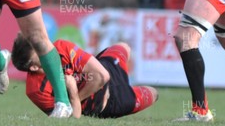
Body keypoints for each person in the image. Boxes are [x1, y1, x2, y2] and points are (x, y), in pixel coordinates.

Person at [12, 35, 158, 118]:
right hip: (112, 102)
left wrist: (73, 98)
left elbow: (102, 76)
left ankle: (123, 77)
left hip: (105, 70)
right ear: (34, 67)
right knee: (154, 93)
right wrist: (74, 95)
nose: (46, 48)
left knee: (124, 46)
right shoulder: (36, 90)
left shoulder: (61, 47)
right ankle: (129, 90)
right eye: (39, 50)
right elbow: (72, 120)